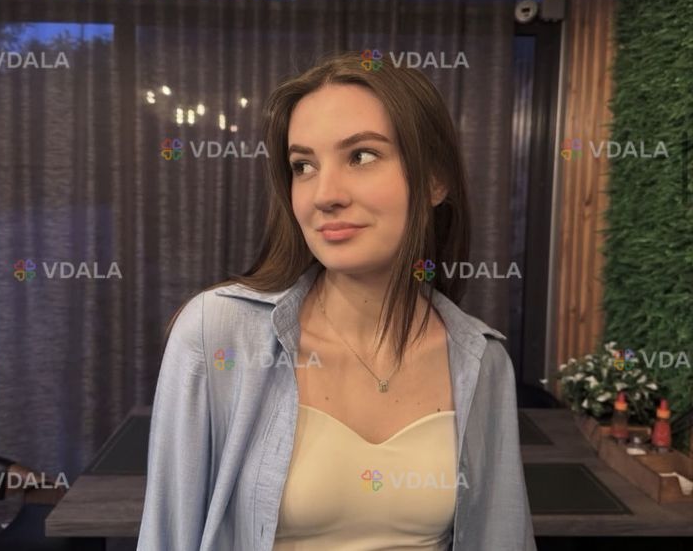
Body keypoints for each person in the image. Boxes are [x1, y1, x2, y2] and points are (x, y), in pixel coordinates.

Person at [137, 51, 537, 550]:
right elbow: (167, 537)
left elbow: (502, 537)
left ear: (435, 180)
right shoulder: (217, 333)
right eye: (303, 166)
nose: (324, 194)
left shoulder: (482, 361)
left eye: (361, 156)